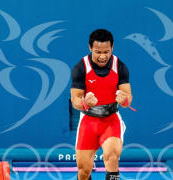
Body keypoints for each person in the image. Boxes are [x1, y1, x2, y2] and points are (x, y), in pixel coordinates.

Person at [70, 29, 133, 180]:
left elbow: (128, 99)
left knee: (112, 157)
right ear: (90, 48)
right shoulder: (80, 68)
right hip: (88, 122)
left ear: (112, 48)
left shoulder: (120, 67)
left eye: (107, 51)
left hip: (111, 120)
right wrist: (84, 103)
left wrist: (124, 100)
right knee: (83, 171)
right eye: (98, 52)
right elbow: (75, 100)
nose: (103, 56)